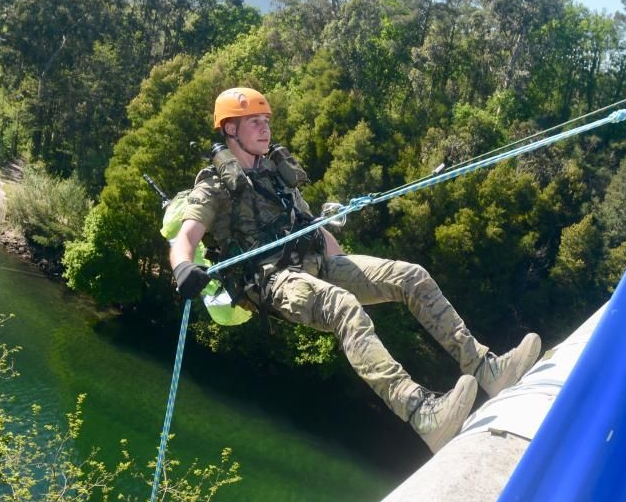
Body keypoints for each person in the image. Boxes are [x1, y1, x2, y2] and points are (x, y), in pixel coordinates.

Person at [170, 87, 541, 453]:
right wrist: (183, 268)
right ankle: (422, 412)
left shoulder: (277, 172)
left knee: (409, 275)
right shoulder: (215, 185)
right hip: (272, 281)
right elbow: (184, 238)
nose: (265, 129)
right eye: (254, 122)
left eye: (266, 121)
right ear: (230, 130)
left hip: (317, 262)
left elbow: (310, 224)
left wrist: (350, 265)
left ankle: (485, 368)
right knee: (343, 305)